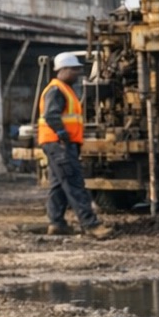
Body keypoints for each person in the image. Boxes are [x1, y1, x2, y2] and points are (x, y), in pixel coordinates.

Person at [39, 50, 112, 239]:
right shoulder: (56, 90)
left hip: (58, 144)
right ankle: (91, 225)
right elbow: (51, 115)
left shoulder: (65, 89)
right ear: (62, 70)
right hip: (60, 144)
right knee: (74, 183)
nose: (78, 73)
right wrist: (62, 134)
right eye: (74, 69)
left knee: (58, 185)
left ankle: (57, 224)